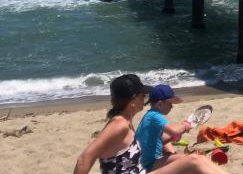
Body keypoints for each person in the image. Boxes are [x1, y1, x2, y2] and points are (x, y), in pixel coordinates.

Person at [74, 74, 221, 174]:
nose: (145, 98)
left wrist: (172, 138)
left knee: (196, 160)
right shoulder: (118, 124)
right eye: (142, 95)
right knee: (194, 160)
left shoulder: (125, 121)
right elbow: (85, 157)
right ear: (132, 101)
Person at [136, 84, 192, 171]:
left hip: (142, 161)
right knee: (187, 160)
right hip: (150, 163)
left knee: (168, 144)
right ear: (159, 104)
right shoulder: (155, 116)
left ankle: (170, 155)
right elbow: (175, 131)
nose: (172, 107)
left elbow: (157, 139)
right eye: (170, 104)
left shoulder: (149, 115)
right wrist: (184, 126)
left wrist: (172, 137)